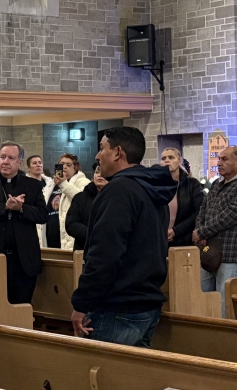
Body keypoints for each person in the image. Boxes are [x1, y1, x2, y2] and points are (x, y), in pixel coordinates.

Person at [71, 127, 176, 347]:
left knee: (102, 377)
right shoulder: (152, 189)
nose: (98, 156)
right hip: (146, 303)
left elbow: (105, 254)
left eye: (102, 148)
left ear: (118, 152)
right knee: (133, 378)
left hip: (118, 307)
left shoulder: (119, 190)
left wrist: (82, 303)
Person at [0, 142, 48, 304]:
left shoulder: (33, 185)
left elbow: (43, 215)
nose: (5, 161)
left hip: (23, 260)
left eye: (11, 158)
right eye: (3, 157)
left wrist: (21, 209)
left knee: (21, 306)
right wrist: (4, 207)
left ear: (20, 162)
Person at [193, 145, 237, 316]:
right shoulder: (216, 184)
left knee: (223, 304)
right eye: (218, 159)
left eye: (224, 159)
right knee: (203, 299)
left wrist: (203, 232)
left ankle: (223, 341)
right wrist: (199, 230)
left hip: (229, 255)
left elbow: (231, 215)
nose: (219, 163)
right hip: (207, 251)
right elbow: (202, 210)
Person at [45, 153, 91, 250]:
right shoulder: (51, 184)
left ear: (75, 168)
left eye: (69, 165)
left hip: (68, 236)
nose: (64, 167)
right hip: (51, 235)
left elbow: (82, 201)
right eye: (62, 164)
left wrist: (64, 184)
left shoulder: (83, 182)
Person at [160, 148, 204, 247]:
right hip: (159, 241)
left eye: (171, 157)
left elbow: (198, 213)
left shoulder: (192, 184)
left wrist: (176, 231)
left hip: (184, 240)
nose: (167, 160)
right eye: (163, 158)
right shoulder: (155, 185)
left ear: (179, 161)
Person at [65, 163, 108, 251]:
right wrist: (94, 235)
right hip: (84, 249)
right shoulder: (81, 197)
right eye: (97, 172)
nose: (99, 175)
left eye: (103, 173)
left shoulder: (117, 197)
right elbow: (71, 224)